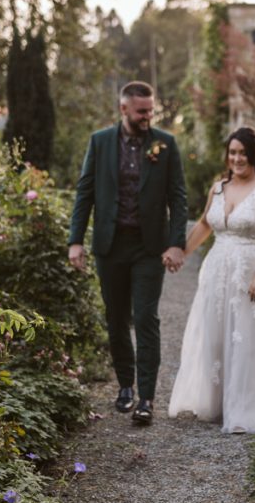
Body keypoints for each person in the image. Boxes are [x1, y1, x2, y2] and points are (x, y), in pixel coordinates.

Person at [167, 125, 255, 434]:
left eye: (243, 153)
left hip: (253, 272)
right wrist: (183, 252)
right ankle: (218, 401)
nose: (237, 158)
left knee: (249, 338)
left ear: (254, 155)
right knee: (217, 336)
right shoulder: (219, 188)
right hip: (218, 275)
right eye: (233, 152)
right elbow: (206, 223)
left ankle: (251, 407)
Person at [68, 81, 188, 426]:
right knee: (116, 317)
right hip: (110, 245)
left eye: (151, 110)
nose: (148, 116)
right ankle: (125, 385)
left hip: (150, 247)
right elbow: (85, 192)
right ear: (123, 110)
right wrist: (75, 240)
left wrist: (176, 242)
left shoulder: (166, 143)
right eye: (141, 111)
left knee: (146, 318)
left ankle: (147, 398)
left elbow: (178, 196)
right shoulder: (100, 141)